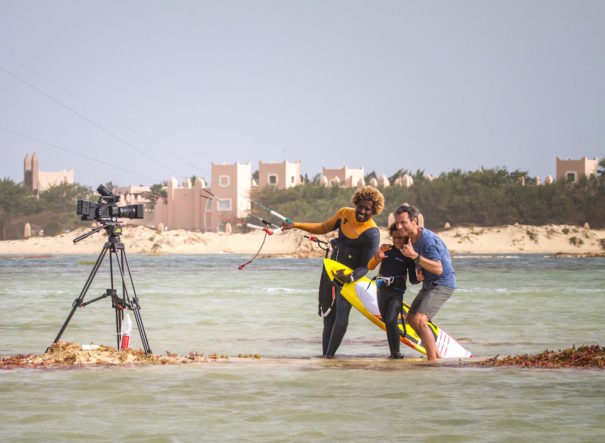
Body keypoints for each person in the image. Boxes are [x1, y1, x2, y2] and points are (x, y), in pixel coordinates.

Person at [281, 185, 384, 358]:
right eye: (361, 206)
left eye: (368, 209)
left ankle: (330, 356)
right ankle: (325, 358)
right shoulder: (344, 213)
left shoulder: (372, 233)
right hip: (331, 270)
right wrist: (296, 225)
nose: (362, 211)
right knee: (328, 315)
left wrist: (350, 277)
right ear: (356, 203)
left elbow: (366, 266)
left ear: (374, 211)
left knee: (341, 317)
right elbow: (323, 227)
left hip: (350, 278)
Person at [394, 204, 456, 361]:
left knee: (421, 320)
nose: (400, 227)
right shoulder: (411, 238)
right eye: (397, 223)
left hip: (443, 283)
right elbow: (421, 262)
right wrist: (418, 270)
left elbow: (438, 269)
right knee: (410, 318)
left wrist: (415, 257)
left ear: (414, 221)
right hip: (429, 284)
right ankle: (436, 355)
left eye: (403, 223)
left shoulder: (427, 240)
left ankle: (432, 362)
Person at [368, 223, 420, 359]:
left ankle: (396, 354)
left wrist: (420, 278)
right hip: (381, 292)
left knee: (391, 321)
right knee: (387, 323)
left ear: (406, 238)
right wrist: (377, 258)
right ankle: (393, 354)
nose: (397, 241)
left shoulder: (408, 256)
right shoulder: (386, 250)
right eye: (395, 238)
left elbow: (413, 280)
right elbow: (370, 266)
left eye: (400, 238)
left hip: (396, 293)